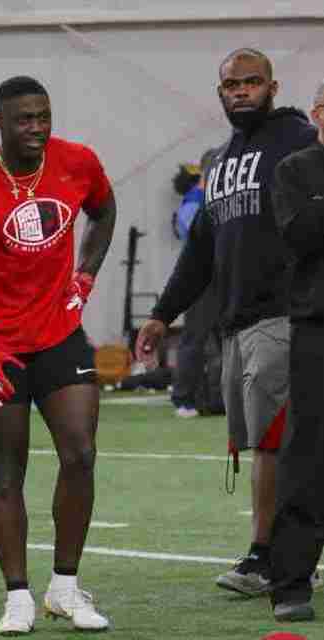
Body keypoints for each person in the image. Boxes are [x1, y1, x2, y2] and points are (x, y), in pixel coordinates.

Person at [0, 75, 116, 634]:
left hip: (60, 334)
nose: (36, 128)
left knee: (80, 453)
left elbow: (105, 211)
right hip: (0, 346)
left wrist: (85, 274)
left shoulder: (78, 162)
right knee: (7, 470)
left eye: (43, 116)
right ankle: (17, 596)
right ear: (0, 124)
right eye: (24, 119)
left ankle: (65, 587)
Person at [135, 48, 317, 598]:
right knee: (261, 442)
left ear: (272, 87)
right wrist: (162, 314)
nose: (241, 91)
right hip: (235, 321)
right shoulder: (218, 162)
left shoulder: (298, 139)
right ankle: (284, 552)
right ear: (220, 92)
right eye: (232, 85)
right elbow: (200, 248)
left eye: (252, 82)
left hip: (284, 313)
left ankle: (268, 557)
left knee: (275, 443)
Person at [267, 79, 324, 622]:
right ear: (319, 113)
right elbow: (302, 234)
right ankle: (290, 583)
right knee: (308, 456)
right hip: (318, 330)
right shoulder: (295, 171)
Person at [170, 149, 219, 418]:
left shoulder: (210, 199)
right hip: (200, 281)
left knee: (218, 340)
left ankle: (214, 398)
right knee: (195, 338)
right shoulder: (194, 202)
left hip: (220, 277)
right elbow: (194, 238)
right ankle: (183, 398)